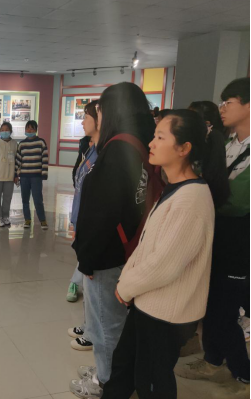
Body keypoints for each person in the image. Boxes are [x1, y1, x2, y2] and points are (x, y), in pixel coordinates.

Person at [102, 110, 230, 399]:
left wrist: (126, 286)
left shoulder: (191, 200)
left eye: (160, 137)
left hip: (165, 312)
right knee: (125, 367)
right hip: (148, 303)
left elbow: (164, 265)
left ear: (184, 148)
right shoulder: (175, 188)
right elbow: (151, 246)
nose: (151, 143)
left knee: (151, 382)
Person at [70, 82, 156, 398]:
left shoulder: (118, 149)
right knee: (111, 322)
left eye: (101, 109)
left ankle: (106, 383)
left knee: (106, 325)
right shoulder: (138, 144)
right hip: (125, 248)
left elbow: (103, 213)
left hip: (107, 255)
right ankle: (109, 373)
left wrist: (87, 259)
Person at [176, 78, 251, 392]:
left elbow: (237, 202)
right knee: (212, 305)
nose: (222, 108)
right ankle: (212, 360)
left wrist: (203, 197)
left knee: (224, 312)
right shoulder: (228, 143)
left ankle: (243, 374)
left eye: (229, 102)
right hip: (217, 239)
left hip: (239, 245)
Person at [66, 100, 100, 354]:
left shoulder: (104, 155)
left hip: (92, 227)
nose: (82, 121)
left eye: (86, 117)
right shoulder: (90, 149)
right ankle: (88, 325)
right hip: (82, 223)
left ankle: (93, 332)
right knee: (88, 285)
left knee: (95, 284)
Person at [15, 120, 49, 230]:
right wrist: (16, 174)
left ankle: (42, 220)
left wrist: (44, 174)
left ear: (36, 130)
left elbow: (44, 159)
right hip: (24, 176)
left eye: (32, 128)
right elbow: (18, 160)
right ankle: (27, 220)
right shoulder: (21, 144)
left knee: (37, 199)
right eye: (27, 128)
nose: (29, 130)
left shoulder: (41, 142)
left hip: (36, 177)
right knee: (25, 200)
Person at [0, 121, 18, 228]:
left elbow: (17, 160)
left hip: (9, 176)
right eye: (2, 130)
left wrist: (16, 175)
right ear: (0, 131)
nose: (4, 132)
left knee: (7, 198)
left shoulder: (14, 144)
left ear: (10, 131)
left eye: (7, 130)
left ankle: (5, 216)